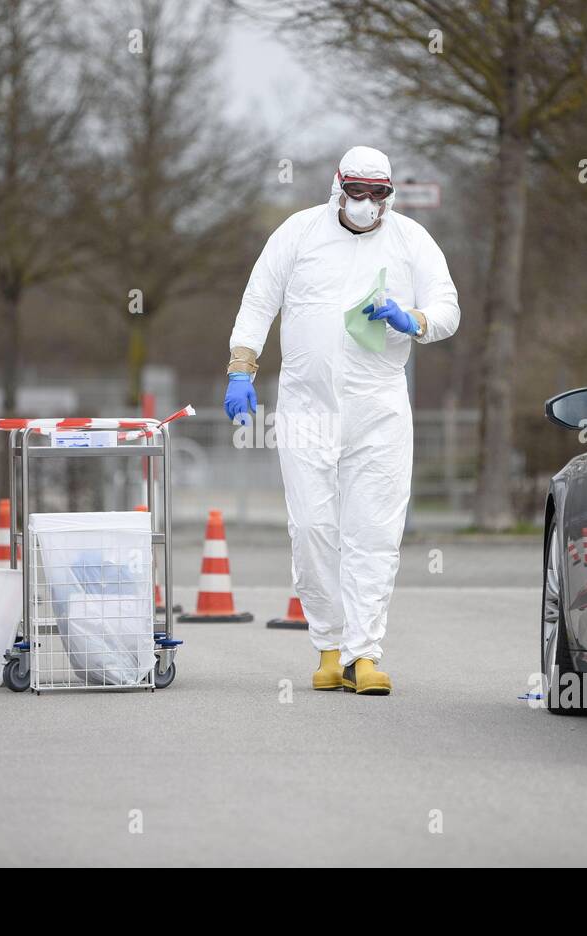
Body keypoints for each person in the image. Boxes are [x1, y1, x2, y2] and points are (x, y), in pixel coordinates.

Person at [224, 146, 459, 695]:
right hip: (307, 406)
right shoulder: (298, 233)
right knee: (312, 528)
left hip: (379, 408)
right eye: (357, 191)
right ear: (338, 187)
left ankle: (363, 655)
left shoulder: (410, 240)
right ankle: (328, 644)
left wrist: (413, 318)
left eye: (378, 193)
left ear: (389, 194)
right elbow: (259, 300)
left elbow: (448, 309)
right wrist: (242, 367)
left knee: (374, 532)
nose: (367, 203)